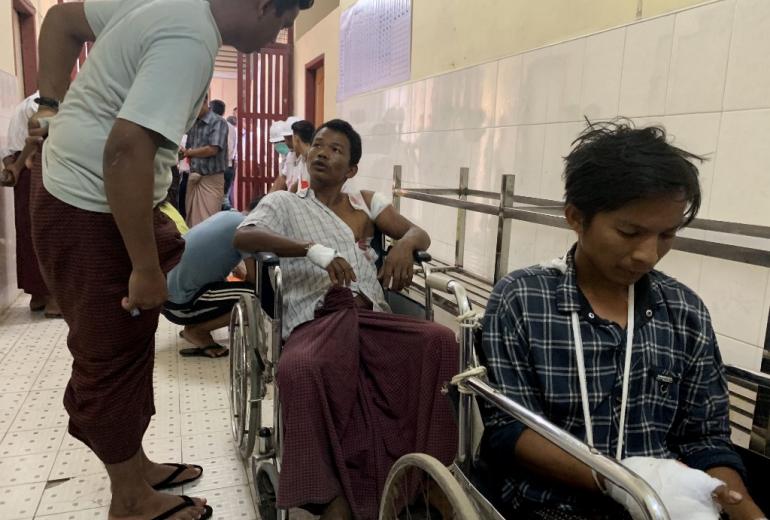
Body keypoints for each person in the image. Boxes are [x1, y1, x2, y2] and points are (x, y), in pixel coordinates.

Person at [27, 0, 313, 519]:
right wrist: (144, 267)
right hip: (86, 202)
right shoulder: (191, 39)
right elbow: (125, 151)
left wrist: (52, 108)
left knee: (130, 341)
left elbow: (62, 20)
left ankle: (134, 466)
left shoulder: (160, 3)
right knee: (109, 351)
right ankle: (130, 499)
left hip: (92, 194)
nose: (280, 33)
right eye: (283, 20)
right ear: (263, 5)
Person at [480, 121, 765, 520]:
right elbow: (508, 432)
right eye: (630, 232)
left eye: (667, 235)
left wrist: (742, 507)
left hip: (665, 508)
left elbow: (706, 439)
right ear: (575, 217)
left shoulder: (684, 312)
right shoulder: (522, 301)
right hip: (549, 506)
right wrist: (628, 481)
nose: (648, 255)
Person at [234, 119, 458, 520]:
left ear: (351, 168)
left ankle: (422, 477)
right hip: (316, 318)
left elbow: (418, 234)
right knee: (300, 368)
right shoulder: (285, 203)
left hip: (370, 316)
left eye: (336, 149)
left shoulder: (364, 204)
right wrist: (309, 249)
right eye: (317, 145)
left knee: (440, 341)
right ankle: (327, 497)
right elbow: (244, 237)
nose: (321, 152)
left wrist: (403, 247)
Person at [0, 93, 61, 318]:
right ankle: (54, 298)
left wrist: (12, 168)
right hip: (40, 166)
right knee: (48, 232)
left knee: (28, 232)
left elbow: (9, 149)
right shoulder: (47, 104)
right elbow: (36, 140)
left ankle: (38, 296)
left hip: (23, 169)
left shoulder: (23, 104)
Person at [162, 211, 255, 358]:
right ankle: (197, 331)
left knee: (234, 288)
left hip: (165, 300)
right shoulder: (249, 229)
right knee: (255, 297)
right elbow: (254, 280)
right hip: (182, 305)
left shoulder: (229, 216)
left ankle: (194, 324)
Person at [181, 93, 229, 226]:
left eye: (195, 106)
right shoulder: (193, 123)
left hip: (211, 180)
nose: (192, 110)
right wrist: (185, 153)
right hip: (194, 177)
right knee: (191, 222)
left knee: (208, 223)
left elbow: (213, 149)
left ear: (204, 101)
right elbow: (188, 148)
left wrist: (189, 153)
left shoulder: (218, 122)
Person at [268, 115, 304, 192]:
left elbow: (298, 186)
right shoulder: (290, 156)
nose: (286, 142)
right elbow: (282, 179)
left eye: (288, 139)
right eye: (275, 143)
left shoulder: (306, 159)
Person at [224, 115, 238, 209]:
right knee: (226, 197)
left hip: (223, 166)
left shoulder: (224, 126)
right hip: (229, 165)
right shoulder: (233, 129)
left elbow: (228, 149)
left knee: (223, 198)